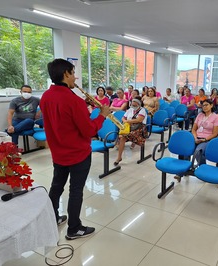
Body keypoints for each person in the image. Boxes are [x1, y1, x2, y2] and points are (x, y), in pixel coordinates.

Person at [40, 58, 111, 240]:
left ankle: (52, 218)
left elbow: (62, 121)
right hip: (77, 153)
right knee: (76, 190)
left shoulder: (45, 97)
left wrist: (87, 107)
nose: (75, 78)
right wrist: (102, 115)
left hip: (58, 152)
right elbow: (89, 130)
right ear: (65, 74)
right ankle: (74, 228)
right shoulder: (74, 100)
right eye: (73, 73)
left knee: (56, 187)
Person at [174, 99, 218, 182]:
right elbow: (194, 129)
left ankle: (204, 171)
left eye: (206, 105)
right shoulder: (200, 115)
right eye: (203, 105)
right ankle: (182, 171)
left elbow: (215, 134)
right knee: (184, 149)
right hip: (196, 137)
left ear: (211, 105)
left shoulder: (216, 117)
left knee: (199, 151)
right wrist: (195, 138)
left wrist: (204, 139)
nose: (204, 107)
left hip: (207, 139)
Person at [114, 96, 147, 166]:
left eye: (135, 105)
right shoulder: (130, 110)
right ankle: (119, 157)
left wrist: (128, 121)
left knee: (123, 136)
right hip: (130, 127)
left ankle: (119, 156)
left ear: (139, 104)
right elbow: (123, 117)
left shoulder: (142, 110)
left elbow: (139, 120)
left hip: (140, 129)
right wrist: (125, 121)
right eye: (132, 105)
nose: (133, 106)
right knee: (122, 137)